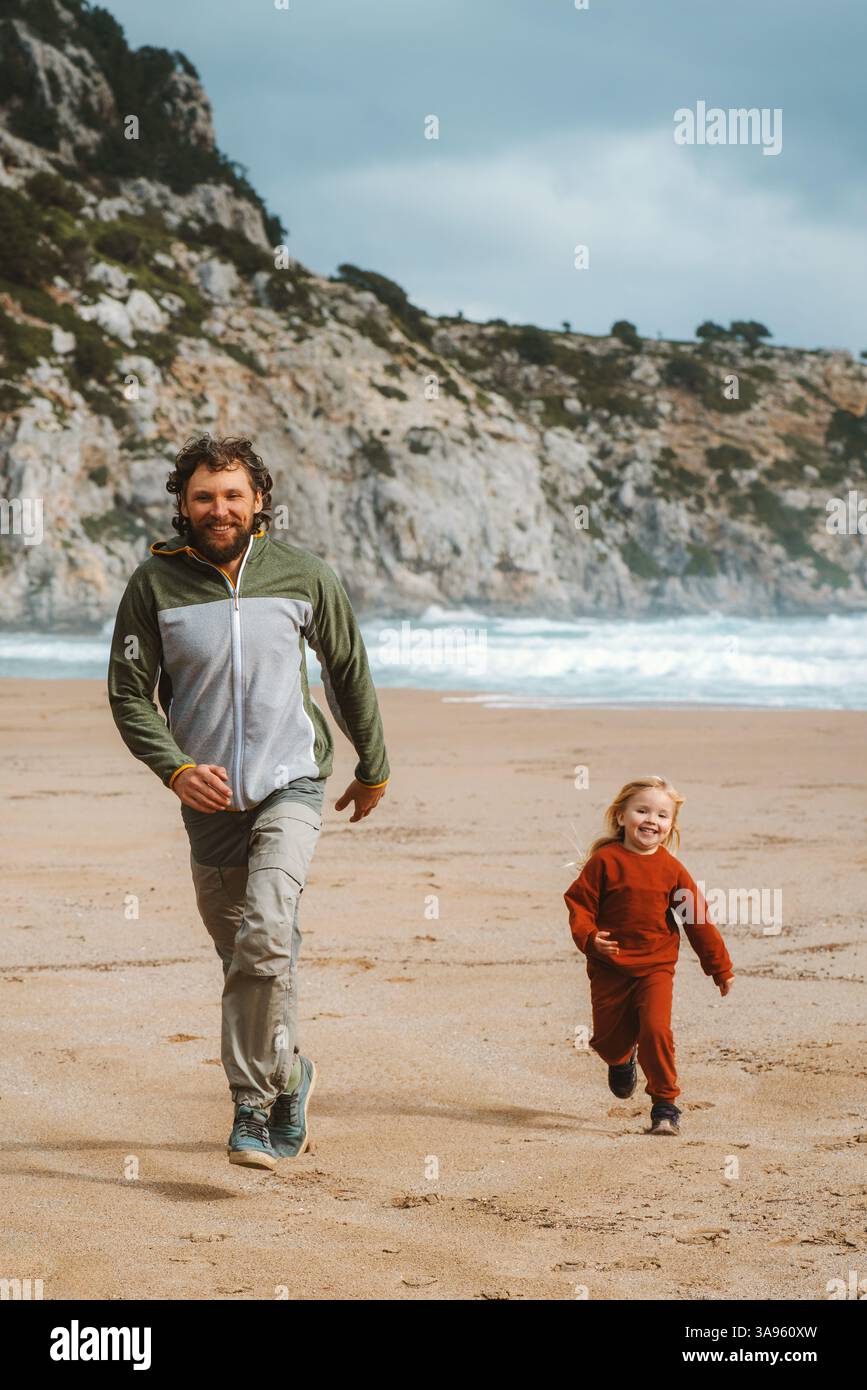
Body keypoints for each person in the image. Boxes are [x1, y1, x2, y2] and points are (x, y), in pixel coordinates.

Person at [107, 434, 390, 1170]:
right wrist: (174, 769)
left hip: (290, 782)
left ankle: (250, 1109)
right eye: (204, 495)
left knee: (266, 932)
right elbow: (128, 696)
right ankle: (292, 1072)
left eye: (233, 494)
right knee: (249, 956)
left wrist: (373, 765)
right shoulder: (154, 585)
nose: (219, 508)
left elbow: (347, 669)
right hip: (207, 803)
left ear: (260, 499)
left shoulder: (303, 574)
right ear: (182, 503)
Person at [563, 775, 733, 1136]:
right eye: (642, 811)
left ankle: (665, 1106)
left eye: (662, 815)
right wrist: (591, 939)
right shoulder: (605, 862)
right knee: (609, 1042)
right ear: (621, 816)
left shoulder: (671, 869)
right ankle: (622, 1060)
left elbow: (696, 918)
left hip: (656, 966)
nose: (652, 820)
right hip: (609, 969)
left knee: (656, 1029)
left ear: (671, 825)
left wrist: (719, 967)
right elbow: (579, 906)